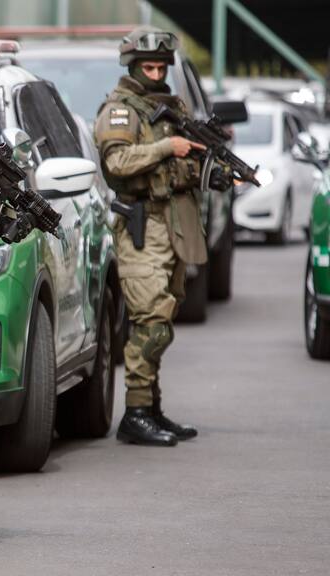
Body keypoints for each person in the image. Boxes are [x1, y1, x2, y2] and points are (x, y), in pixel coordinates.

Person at [94, 26, 231, 447]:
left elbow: (184, 167)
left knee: (163, 318)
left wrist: (213, 170)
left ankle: (151, 408)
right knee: (149, 321)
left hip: (173, 224)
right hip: (141, 224)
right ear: (133, 66)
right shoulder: (121, 110)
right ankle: (135, 414)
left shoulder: (173, 108)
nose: (155, 73)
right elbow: (116, 162)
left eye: (160, 66)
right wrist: (166, 147)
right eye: (147, 66)